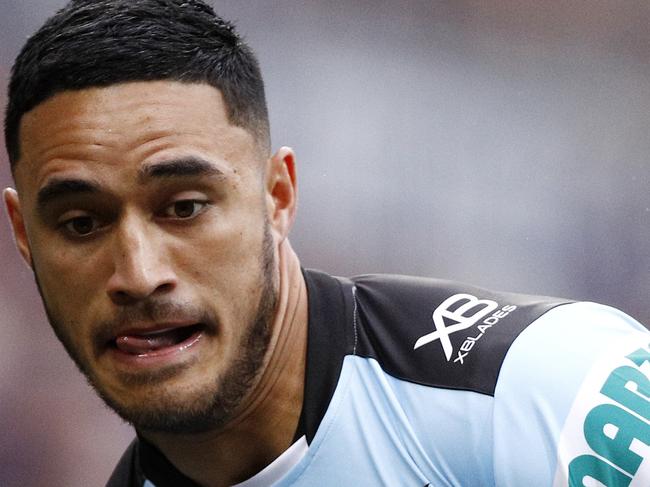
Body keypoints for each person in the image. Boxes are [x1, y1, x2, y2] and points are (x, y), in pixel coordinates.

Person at [3, 1, 649, 486]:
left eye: (185, 207)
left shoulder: (548, 390)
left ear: (278, 197)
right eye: (81, 223)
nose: (138, 273)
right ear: (25, 236)